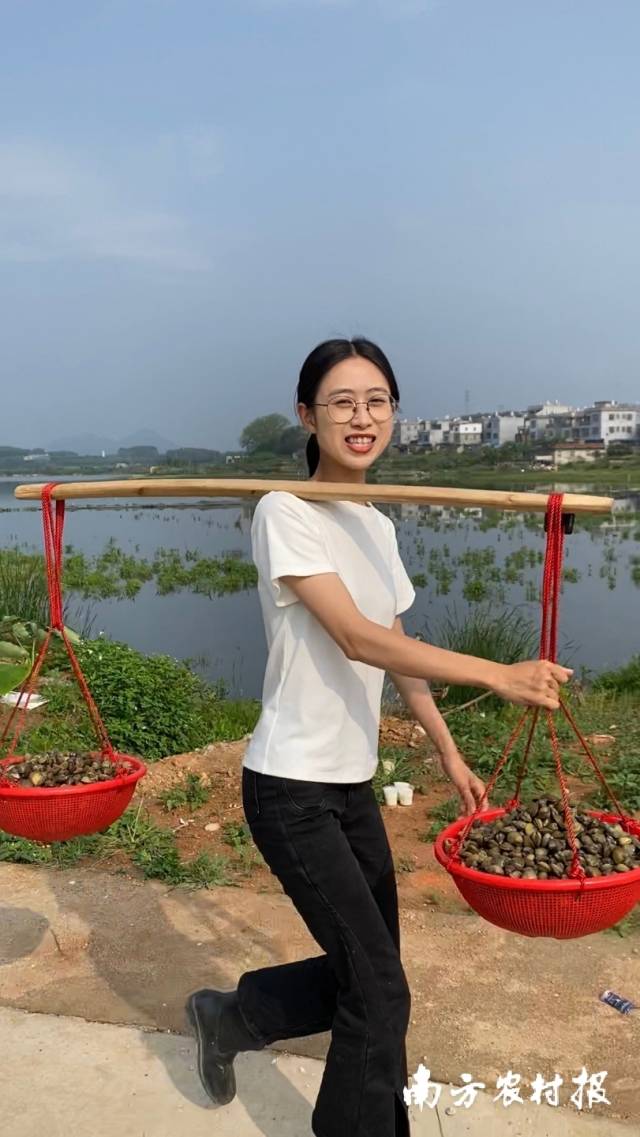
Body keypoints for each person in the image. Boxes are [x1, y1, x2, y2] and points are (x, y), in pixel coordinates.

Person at [186, 337, 572, 1136]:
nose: (361, 417)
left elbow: (396, 647)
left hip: (350, 785)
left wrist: (447, 748)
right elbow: (356, 637)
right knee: (381, 991)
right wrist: (498, 673)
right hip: (289, 787)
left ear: (394, 412)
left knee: (370, 977)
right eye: (342, 402)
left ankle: (233, 1015)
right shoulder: (284, 512)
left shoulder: (377, 525)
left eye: (377, 401)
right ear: (308, 415)